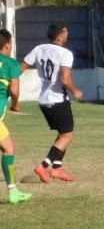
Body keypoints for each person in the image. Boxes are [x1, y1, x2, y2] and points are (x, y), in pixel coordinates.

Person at [21, 23, 84, 183]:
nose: (68, 33)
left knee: (63, 133)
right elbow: (65, 79)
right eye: (66, 31)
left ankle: (57, 168)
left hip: (43, 100)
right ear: (60, 35)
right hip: (58, 100)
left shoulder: (39, 49)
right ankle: (43, 166)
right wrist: (75, 91)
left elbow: (21, 67)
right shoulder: (65, 53)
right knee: (67, 135)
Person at [0, 29, 31, 204]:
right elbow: (14, 90)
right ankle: (12, 191)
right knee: (9, 149)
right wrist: (15, 104)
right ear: (7, 45)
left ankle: (13, 191)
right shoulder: (11, 64)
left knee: (9, 147)